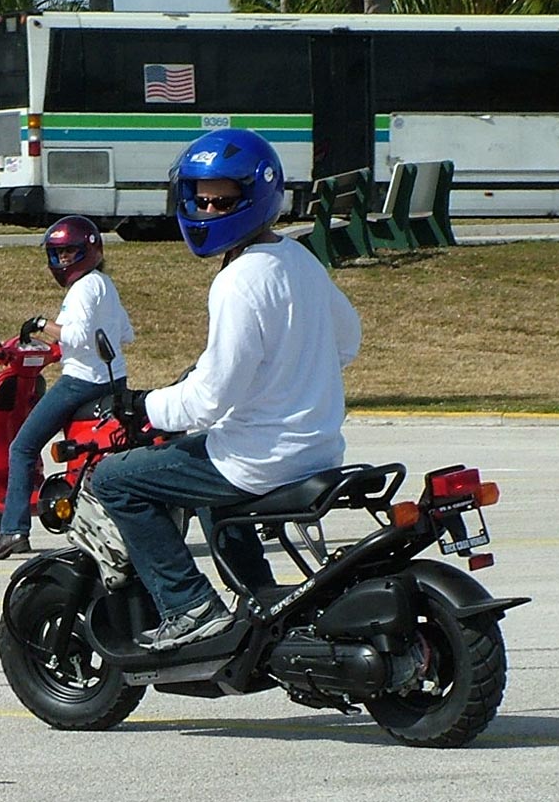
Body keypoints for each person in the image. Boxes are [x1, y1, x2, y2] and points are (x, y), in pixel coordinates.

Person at [91, 128, 362, 651]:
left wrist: (145, 405)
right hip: (319, 449)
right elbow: (347, 340)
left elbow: (209, 399)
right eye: (201, 198)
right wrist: (287, 374)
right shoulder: (298, 258)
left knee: (116, 479)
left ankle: (188, 606)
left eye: (223, 200)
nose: (208, 210)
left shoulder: (238, 281)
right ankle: (261, 601)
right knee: (207, 481)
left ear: (255, 197)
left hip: (261, 459)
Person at [0, 216, 135, 560]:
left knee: (22, 447)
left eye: (69, 252)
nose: (63, 259)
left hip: (82, 382)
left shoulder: (81, 289)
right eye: (57, 253)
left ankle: (13, 531)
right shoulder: (105, 284)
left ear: (88, 250)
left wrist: (41, 324)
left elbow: (76, 336)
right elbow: (126, 334)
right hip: (114, 380)